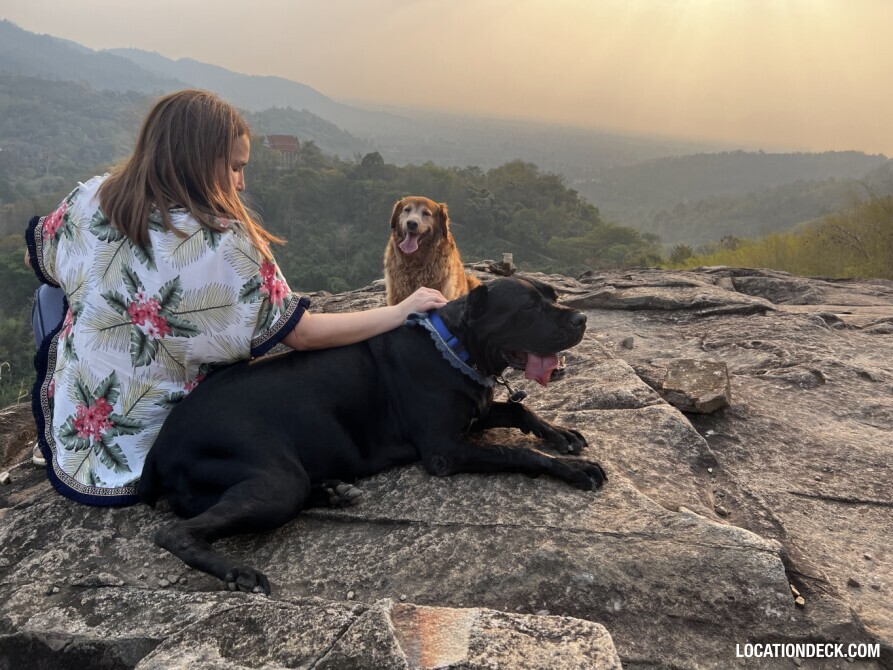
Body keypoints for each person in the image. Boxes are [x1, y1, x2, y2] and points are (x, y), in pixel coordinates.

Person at [25, 89, 446, 506]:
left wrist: (107, 280)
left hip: (79, 441)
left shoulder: (92, 196)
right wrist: (400, 311)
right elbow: (302, 334)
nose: (242, 183)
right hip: (171, 449)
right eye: (234, 167)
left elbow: (35, 256)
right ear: (198, 160)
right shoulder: (225, 244)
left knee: (50, 292)